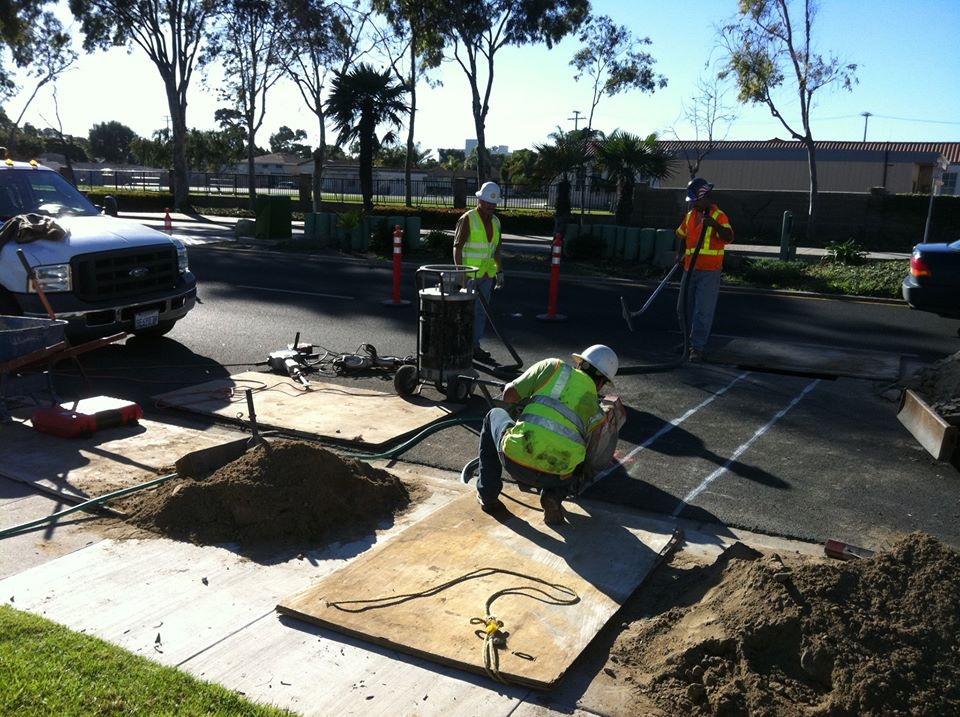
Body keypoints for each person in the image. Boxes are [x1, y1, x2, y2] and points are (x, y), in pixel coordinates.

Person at [474, 345, 619, 525]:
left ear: (580, 363)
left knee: (493, 415)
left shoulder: (552, 367)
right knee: (580, 461)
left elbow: (508, 397)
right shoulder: (597, 414)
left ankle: (487, 495)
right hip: (557, 477)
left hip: (516, 462)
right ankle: (553, 496)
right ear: (602, 383)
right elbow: (595, 461)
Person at [675, 177, 734, 361]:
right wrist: (679, 254)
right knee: (682, 307)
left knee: (703, 310)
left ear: (705, 197)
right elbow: (681, 235)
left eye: (695, 200)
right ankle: (687, 342)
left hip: (709, 271)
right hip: (689, 269)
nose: (693, 204)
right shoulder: (690, 215)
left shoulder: (719, 216)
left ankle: (697, 347)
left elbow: (729, 236)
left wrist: (715, 225)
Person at [453, 181, 503, 362]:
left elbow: (496, 249)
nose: (491, 206)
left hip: (486, 275)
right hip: (469, 276)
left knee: (480, 312)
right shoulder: (468, 218)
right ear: (479, 200)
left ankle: (474, 346)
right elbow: (457, 247)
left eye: (494, 203)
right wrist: (461, 273)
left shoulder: (496, 221)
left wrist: (499, 271)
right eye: (488, 202)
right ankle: (460, 345)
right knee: (464, 312)